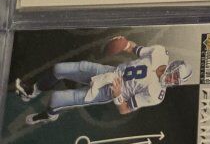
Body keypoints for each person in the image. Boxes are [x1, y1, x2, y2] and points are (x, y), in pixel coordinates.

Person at [15, 37, 191, 126]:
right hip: (109, 72)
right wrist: (123, 43)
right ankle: (32, 91)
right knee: (59, 69)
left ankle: (49, 115)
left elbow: (124, 109)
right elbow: (132, 47)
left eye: (176, 81)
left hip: (109, 91)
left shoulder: (156, 94)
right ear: (173, 66)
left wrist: (117, 95)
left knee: (57, 99)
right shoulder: (159, 53)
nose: (171, 80)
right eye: (174, 75)